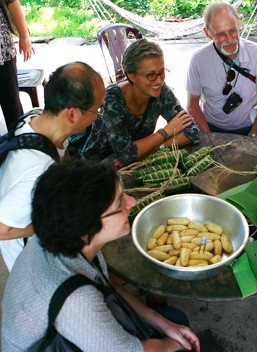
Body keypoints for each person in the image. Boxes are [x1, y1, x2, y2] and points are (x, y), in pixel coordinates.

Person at [1, 160, 201, 352]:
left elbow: (105, 285)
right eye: (120, 204)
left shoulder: (59, 236)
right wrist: (175, 345)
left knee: (173, 318)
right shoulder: (77, 300)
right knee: (180, 325)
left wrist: (163, 324)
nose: (132, 202)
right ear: (85, 231)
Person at [0, 61, 106, 271]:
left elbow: (63, 156)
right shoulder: (37, 169)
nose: (98, 115)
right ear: (73, 114)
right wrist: (50, 228)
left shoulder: (38, 119)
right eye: (97, 110)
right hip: (29, 262)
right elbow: (2, 228)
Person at [82, 38, 199, 167]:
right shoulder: (112, 99)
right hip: (97, 167)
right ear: (132, 76)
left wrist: (154, 148)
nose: (159, 80)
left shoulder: (161, 90)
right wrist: (165, 132)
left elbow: (192, 130)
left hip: (136, 163)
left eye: (161, 72)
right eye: (151, 75)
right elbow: (126, 154)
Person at [185, 2, 257, 139]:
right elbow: (192, 106)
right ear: (208, 33)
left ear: (239, 24)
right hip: (211, 127)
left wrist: (253, 137)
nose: (229, 39)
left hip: (251, 126)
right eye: (221, 34)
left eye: (233, 31)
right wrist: (210, 138)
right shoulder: (199, 60)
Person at [0, 0, 34, 131]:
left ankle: (19, 142)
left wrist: (24, 36)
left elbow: (12, 1)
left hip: (2, 49)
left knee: (11, 103)